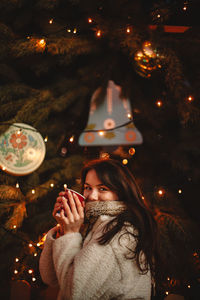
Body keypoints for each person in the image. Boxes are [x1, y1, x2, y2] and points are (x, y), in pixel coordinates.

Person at [39, 158, 159, 300]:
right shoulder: (92, 224)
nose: (92, 196)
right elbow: (50, 278)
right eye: (88, 187)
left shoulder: (120, 232)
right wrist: (63, 230)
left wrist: (71, 234)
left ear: (121, 193)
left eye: (103, 189)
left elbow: (73, 295)